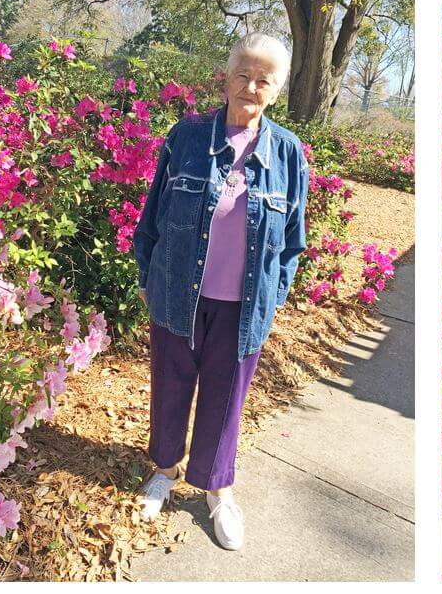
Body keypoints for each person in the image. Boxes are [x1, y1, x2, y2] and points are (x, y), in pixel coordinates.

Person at [132, 33, 309, 550]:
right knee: (170, 384)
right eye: (243, 74)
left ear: (276, 90)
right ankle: (164, 471)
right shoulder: (185, 137)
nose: (251, 87)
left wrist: (273, 299)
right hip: (176, 293)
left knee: (226, 399)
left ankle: (216, 490)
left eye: (264, 80)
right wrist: (149, 280)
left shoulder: (288, 154)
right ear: (227, 77)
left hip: (243, 305)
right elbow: (151, 219)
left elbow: (292, 241)